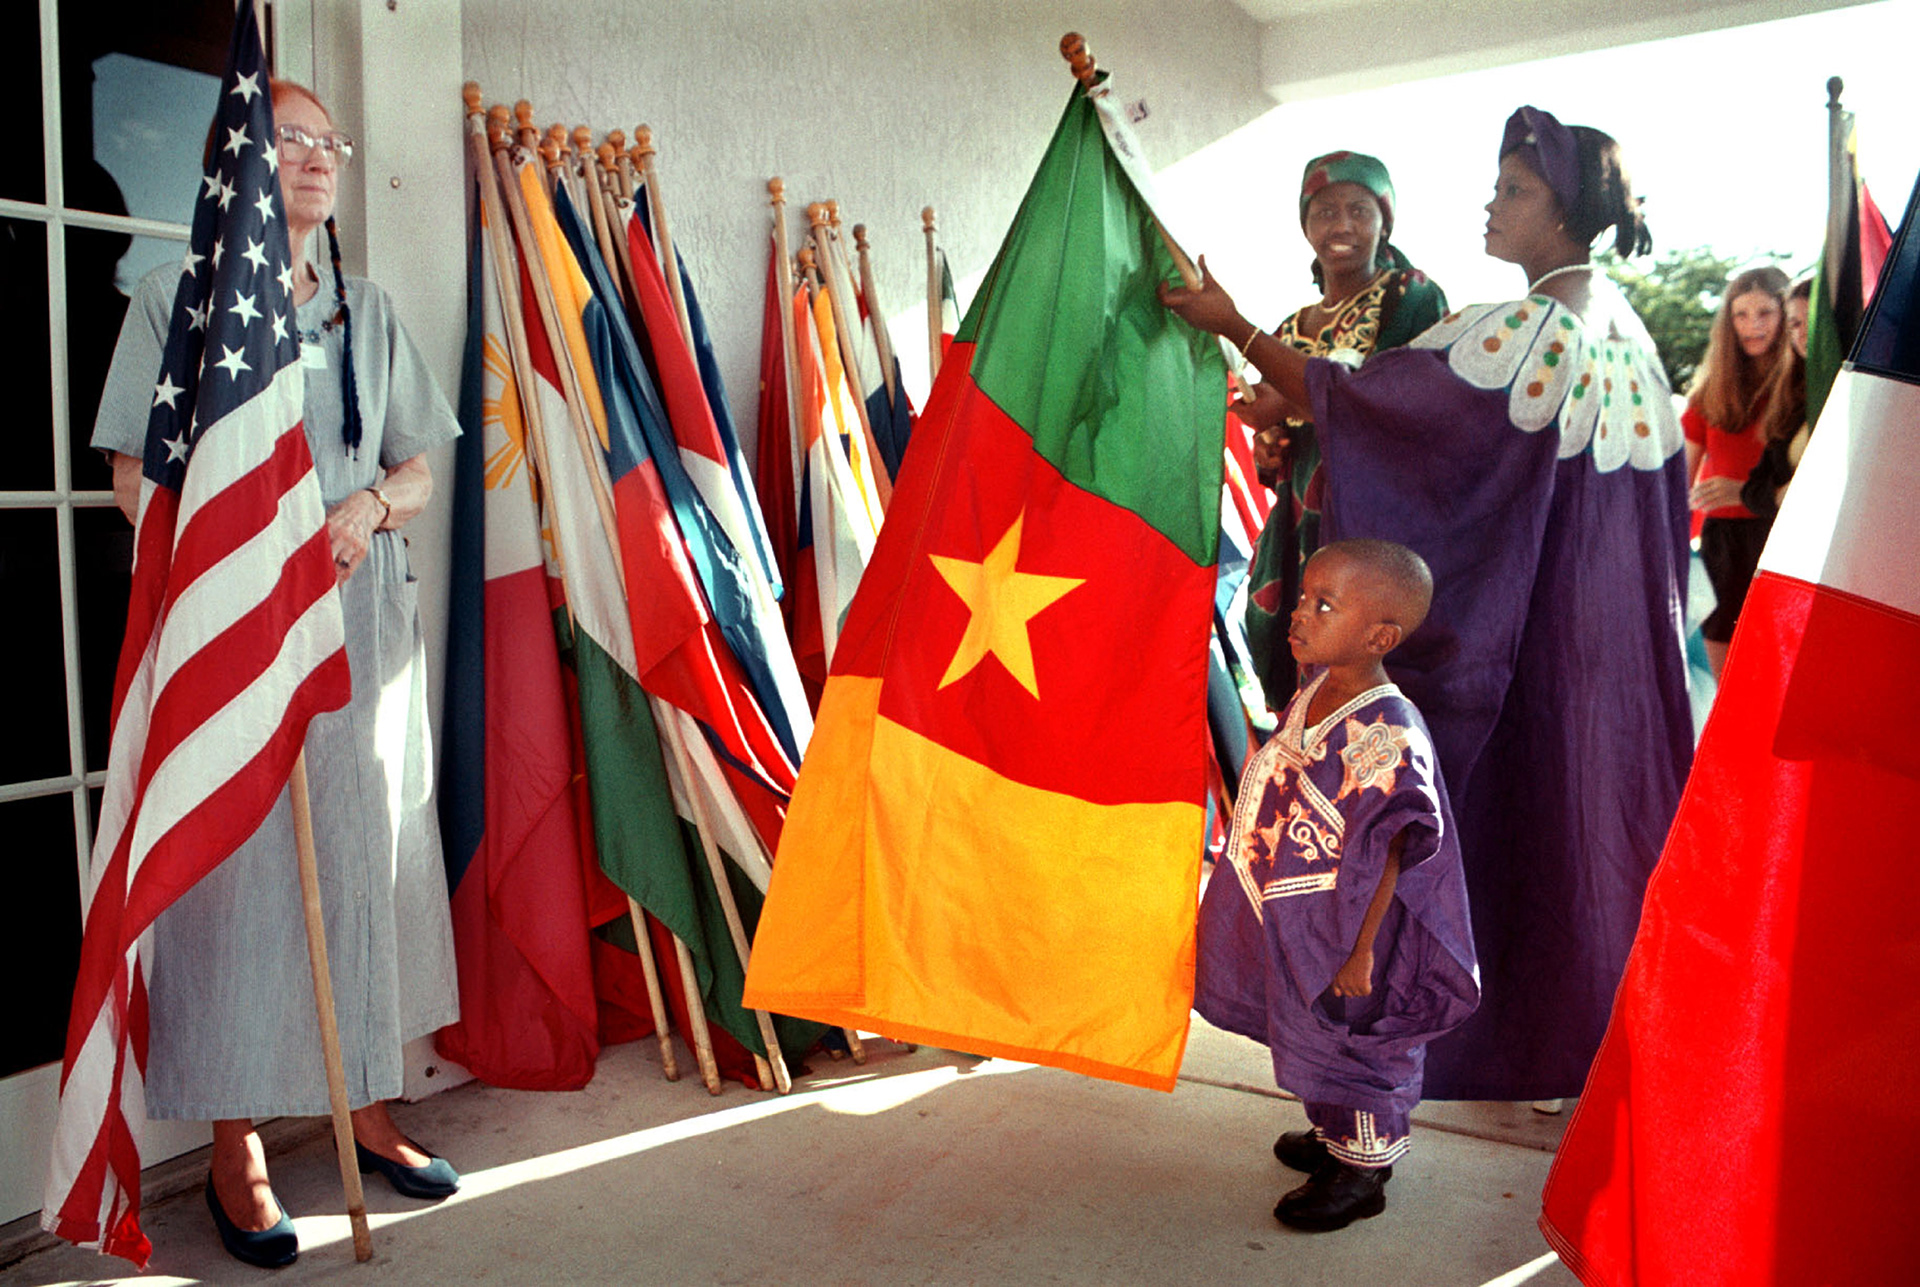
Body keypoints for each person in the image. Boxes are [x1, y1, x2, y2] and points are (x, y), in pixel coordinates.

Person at [1164, 106, 1692, 1104]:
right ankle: (1576, 1048)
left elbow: (1382, 410)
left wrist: (1232, 325)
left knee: (1437, 844)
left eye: (1515, 190)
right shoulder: (1627, 332)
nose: (1492, 205)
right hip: (1602, 663)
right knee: (1576, 840)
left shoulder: (1537, 326)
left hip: (1530, 653)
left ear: (1565, 210)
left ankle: (1404, 1091)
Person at [92, 79, 461, 1268]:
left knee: (363, 863)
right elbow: (133, 482)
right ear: (235, 166)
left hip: (359, 625)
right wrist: (241, 562)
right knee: (235, 881)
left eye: (327, 143)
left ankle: (368, 1106)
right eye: (288, 139)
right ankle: (236, 1142)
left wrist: (365, 508)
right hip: (239, 634)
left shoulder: (368, 310)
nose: (314, 158)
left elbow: (417, 471)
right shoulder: (175, 304)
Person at [1195, 539, 1478, 1232]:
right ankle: (1332, 1135)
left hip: (1355, 928)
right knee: (1310, 1024)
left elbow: (1398, 847)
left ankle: (1363, 1171)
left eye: (1324, 605)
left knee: (1354, 1034)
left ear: (1380, 636)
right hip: (1313, 913)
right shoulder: (1320, 686)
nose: (1299, 614)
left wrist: (1361, 950)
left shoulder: (1390, 731)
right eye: (1303, 597)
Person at [1243, 152, 1448, 707]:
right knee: (1295, 642)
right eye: (1325, 212)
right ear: (1305, 225)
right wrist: (1269, 442)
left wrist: (1289, 397)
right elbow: (1275, 444)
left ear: (1385, 223)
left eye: (1360, 210)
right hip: (1299, 517)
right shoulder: (1291, 326)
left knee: (1362, 640)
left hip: (1374, 514)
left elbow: (1388, 405)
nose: (1342, 225)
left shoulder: (1408, 295)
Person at [1681, 265, 1791, 675]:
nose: (1752, 325)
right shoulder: (1710, 392)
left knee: (1774, 669)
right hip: (1721, 543)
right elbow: (1678, 485)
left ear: (1785, 316)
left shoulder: (1801, 390)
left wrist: (1744, 490)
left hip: (1780, 536)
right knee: (1724, 679)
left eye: (1765, 313)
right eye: (1740, 314)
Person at [1740, 273, 1813, 523]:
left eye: (1813, 320)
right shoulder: (1793, 397)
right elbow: (1752, 490)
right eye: (1795, 324)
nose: (1803, 333)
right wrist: (1781, 494)